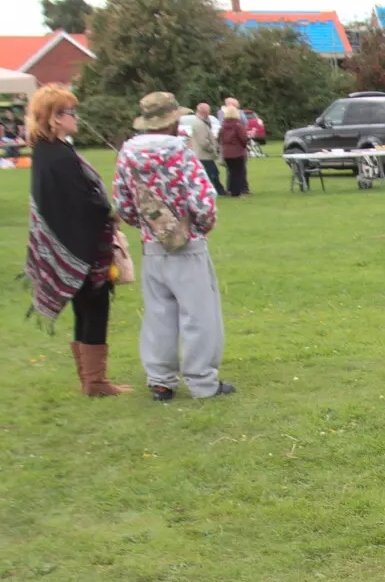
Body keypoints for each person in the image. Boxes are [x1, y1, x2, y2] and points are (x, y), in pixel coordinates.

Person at [113, 91, 233, 400]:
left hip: (153, 245)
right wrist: (201, 227)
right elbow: (202, 199)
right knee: (199, 315)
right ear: (172, 119)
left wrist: (147, 227)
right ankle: (202, 381)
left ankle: (161, 380)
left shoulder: (127, 153)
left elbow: (122, 204)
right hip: (187, 243)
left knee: (158, 314)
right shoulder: (180, 151)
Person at [21, 85, 131, 396]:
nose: (75, 118)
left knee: (84, 310)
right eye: (70, 112)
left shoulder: (46, 152)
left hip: (71, 245)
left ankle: (90, 380)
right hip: (81, 248)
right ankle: (95, 382)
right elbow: (81, 202)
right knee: (94, 310)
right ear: (54, 118)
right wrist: (110, 213)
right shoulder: (57, 156)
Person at [188, 102, 222, 191]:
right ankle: (214, 190)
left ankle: (217, 190)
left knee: (213, 172)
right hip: (203, 155)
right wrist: (212, 148)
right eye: (208, 111)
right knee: (212, 173)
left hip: (204, 154)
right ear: (204, 112)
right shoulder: (199, 123)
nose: (209, 113)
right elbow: (203, 141)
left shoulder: (203, 122)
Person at [218, 105, 250, 197]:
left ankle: (231, 190)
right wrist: (245, 146)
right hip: (237, 152)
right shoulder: (238, 126)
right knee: (239, 172)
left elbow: (219, 138)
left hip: (226, 152)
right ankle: (237, 192)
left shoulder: (223, 126)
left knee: (231, 172)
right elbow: (243, 138)